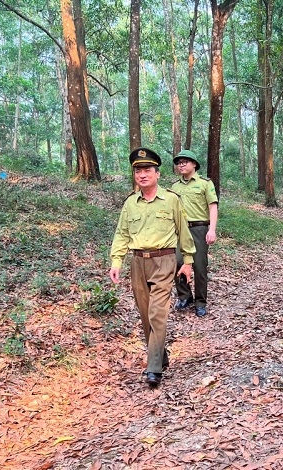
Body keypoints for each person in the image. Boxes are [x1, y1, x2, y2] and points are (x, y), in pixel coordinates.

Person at [109, 147, 195, 387]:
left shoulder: (171, 200)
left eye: (147, 170)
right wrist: (117, 261)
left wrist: (187, 262)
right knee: (146, 315)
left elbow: (183, 232)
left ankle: (153, 368)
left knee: (158, 314)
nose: (142, 174)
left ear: (157, 174)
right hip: (138, 263)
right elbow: (121, 234)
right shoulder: (130, 204)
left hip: (164, 260)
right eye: (138, 171)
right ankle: (160, 355)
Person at [170, 149, 219, 317]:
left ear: (194, 164)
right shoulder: (175, 187)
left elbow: (213, 206)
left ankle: (200, 302)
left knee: (199, 266)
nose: (181, 165)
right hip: (179, 230)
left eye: (185, 161)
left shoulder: (205, 183)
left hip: (199, 229)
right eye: (178, 162)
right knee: (177, 262)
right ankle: (185, 296)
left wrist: (212, 229)